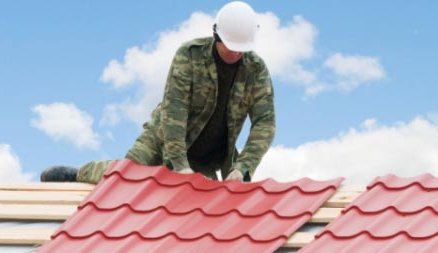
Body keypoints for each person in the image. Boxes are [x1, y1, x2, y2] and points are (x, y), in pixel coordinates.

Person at [41, 1, 274, 184]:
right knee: (126, 178)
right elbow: (175, 112)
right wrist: (180, 165)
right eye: (231, 47)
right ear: (217, 35)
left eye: (241, 49)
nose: (236, 54)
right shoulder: (189, 56)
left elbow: (265, 123)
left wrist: (242, 167)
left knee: (199, 204)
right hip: (162, 138)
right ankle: (80, 173)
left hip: (207, 157)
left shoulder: (256, 70)